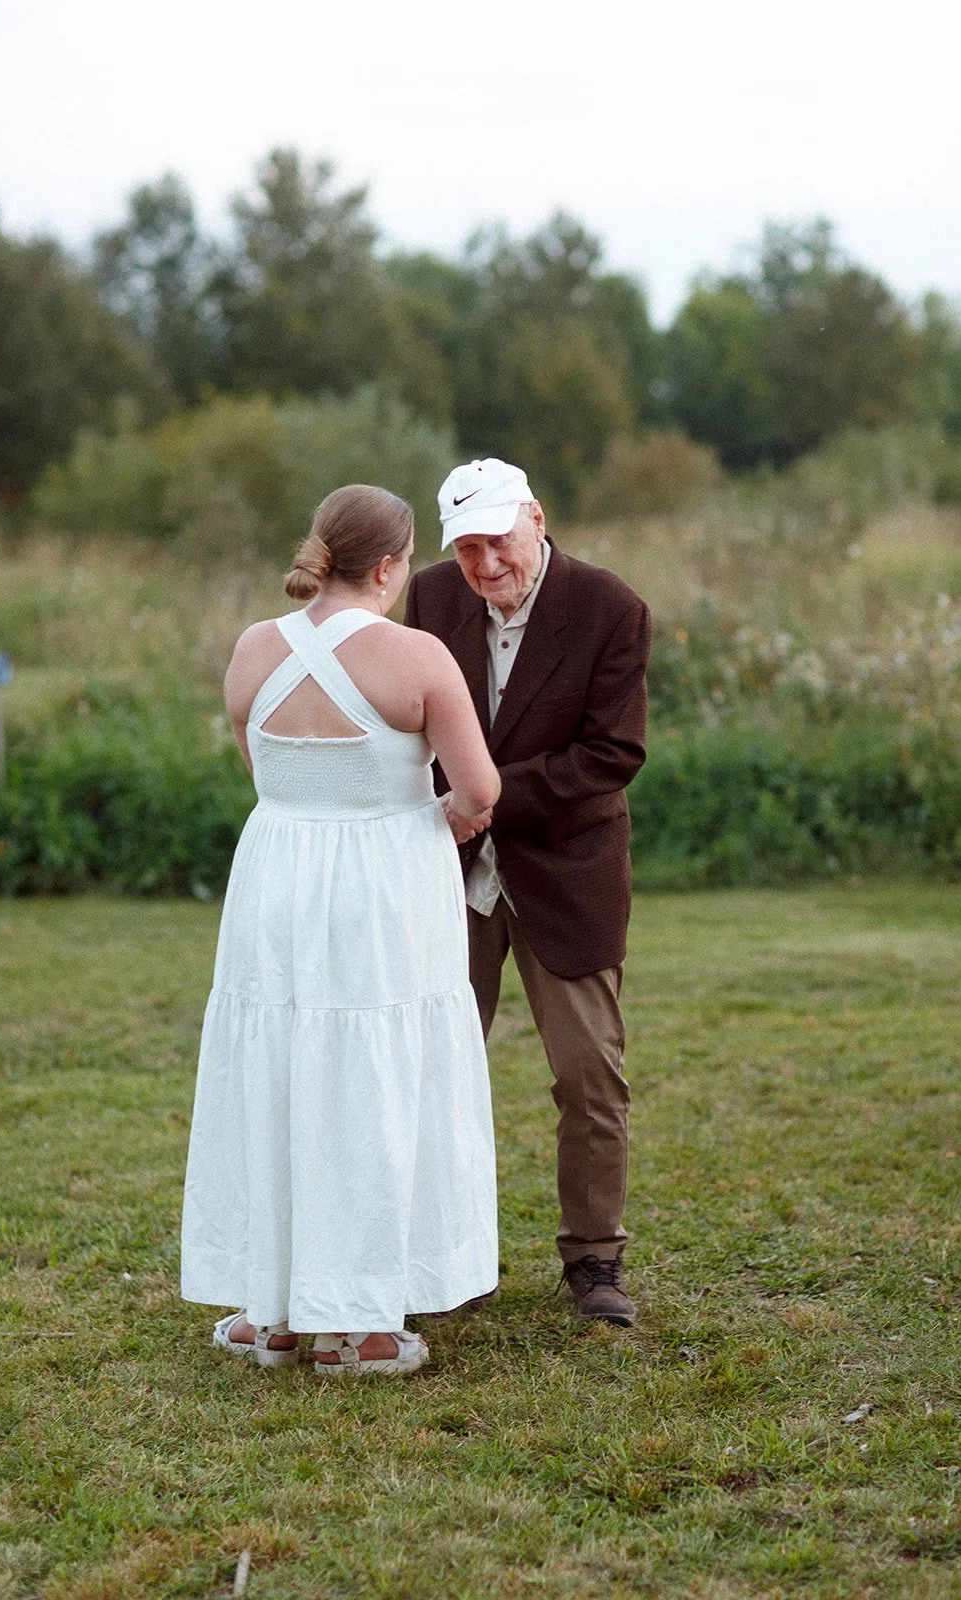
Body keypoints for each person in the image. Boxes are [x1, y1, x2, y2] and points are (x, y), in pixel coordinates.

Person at [181, 485, 501, 1375]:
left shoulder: (253, 649)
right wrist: (431, 816)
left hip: (277, 878)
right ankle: (359, 1322)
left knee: (278, 1070)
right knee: (368, 1079)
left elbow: (261, 765)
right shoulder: (417, 656)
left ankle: (273, 1313)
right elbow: (479, 793)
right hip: (384, 887)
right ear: (392, 568)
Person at [404, 459, 651, 1327]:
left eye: (497, 540)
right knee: (426, 1069)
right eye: (466, 547)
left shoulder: (610, 608)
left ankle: (594, 1261)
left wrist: (486, 795)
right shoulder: (430, 601)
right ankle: (427, 1257)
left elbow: (610, 756)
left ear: (536, 520)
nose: (484, 564)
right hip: (445, 872)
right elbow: (406, 724)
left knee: (589, 1076)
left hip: (565, 873)